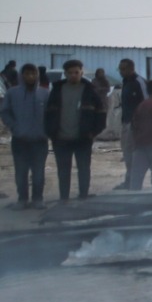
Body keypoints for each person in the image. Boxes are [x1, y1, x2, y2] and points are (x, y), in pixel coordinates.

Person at [45, 59, 107, 200]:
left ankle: (83, 195)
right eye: (70, 73)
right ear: (65, 74)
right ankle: (64, 198)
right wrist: (51, 132)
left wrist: (92, 132)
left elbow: (101, 113)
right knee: (63, 171)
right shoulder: (57, 90)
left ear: (81, 73)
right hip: (61, 138)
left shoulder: (90, 91)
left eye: (76, 72)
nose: (73, 75)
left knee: (84, 169)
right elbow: (48, 113)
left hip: (83, 138)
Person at [1, 63, 50, 208]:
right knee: (21, 173)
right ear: (21, 75)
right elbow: (5, 111)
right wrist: (15, 127)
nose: (30, 76)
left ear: (37, 75)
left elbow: (52, 114)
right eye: (27, 73)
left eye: (33, 73)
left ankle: (37, 199)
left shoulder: (45, 93)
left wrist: (46, 130)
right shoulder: (12, 93)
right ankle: (22, 199)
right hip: (20, 140)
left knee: (38, 172)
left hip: (40, 140)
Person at [116, 58, 148, 189]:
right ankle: (128, 181)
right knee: (127, 154)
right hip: (126, 122)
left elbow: (146, 102)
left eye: (123, 69)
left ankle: (133, 183)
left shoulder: (138, 82)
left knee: (134, 155)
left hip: (136, 125)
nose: (121, 72)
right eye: (120, 69)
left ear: (131, 68)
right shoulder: (126, 82)